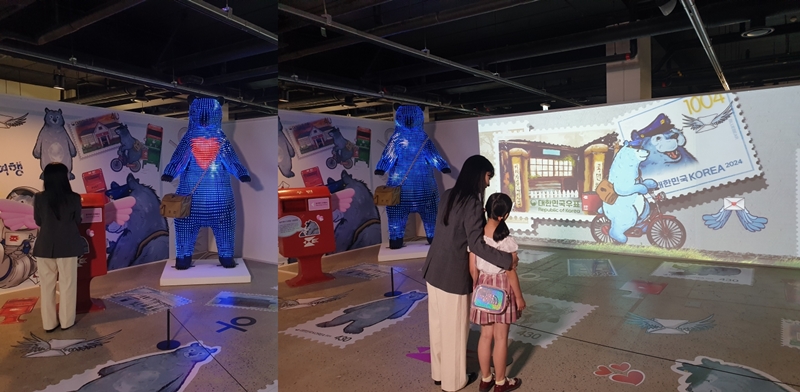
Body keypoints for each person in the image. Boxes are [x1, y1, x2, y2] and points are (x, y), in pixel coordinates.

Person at [422, 155, 519, 392]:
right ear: (478, 174)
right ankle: (453, 382)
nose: (487, 183)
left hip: (433, 269)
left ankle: (439, 373)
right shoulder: (473, 204)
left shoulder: (448, 195)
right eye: (487, 176)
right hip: (453, 275)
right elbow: (476, 244)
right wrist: (508, 260)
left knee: (437, 326)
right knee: (454, 330)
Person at [469, 193, 525, 392]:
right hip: (502, 288)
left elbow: (473, 269)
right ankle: (501, 383)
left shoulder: (476, 238)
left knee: (485, 336)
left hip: (483, 287)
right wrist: (518, 297)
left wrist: (477, 289)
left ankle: (485, 379)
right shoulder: (507, 241)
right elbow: (510, 272)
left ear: (486, 210)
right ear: (505, 215)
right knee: (501, 338)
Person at [33, 162, 84, 332]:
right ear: (64, 178)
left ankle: (48, 324)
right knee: (68, 284)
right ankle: (66, 322)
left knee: (47, 286)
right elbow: (78, 220)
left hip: (45, 246)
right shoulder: (74, 198)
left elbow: (38, 221)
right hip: (68, 245)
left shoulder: (39, 198)